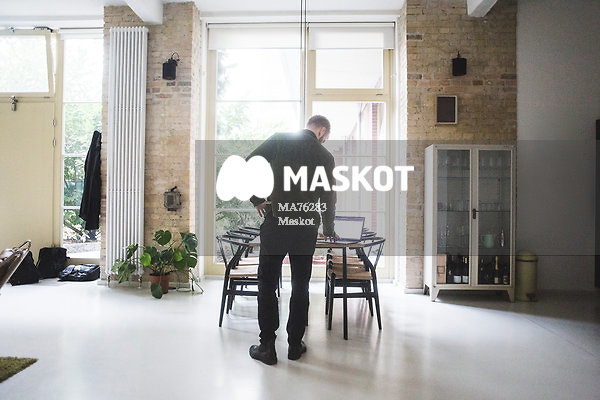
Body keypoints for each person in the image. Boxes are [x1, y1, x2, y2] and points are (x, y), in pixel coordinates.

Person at [247, 115, 337, 365]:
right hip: (305, 227)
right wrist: (328, 228)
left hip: (276, 223)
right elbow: (329, 197)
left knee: (267, 284)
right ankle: (295, 345)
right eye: (325, 137)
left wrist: (256, 199)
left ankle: (267, 346)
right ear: (322, 131)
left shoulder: (279, 140)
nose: (323, 141)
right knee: (300, 285)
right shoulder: (325, 156)